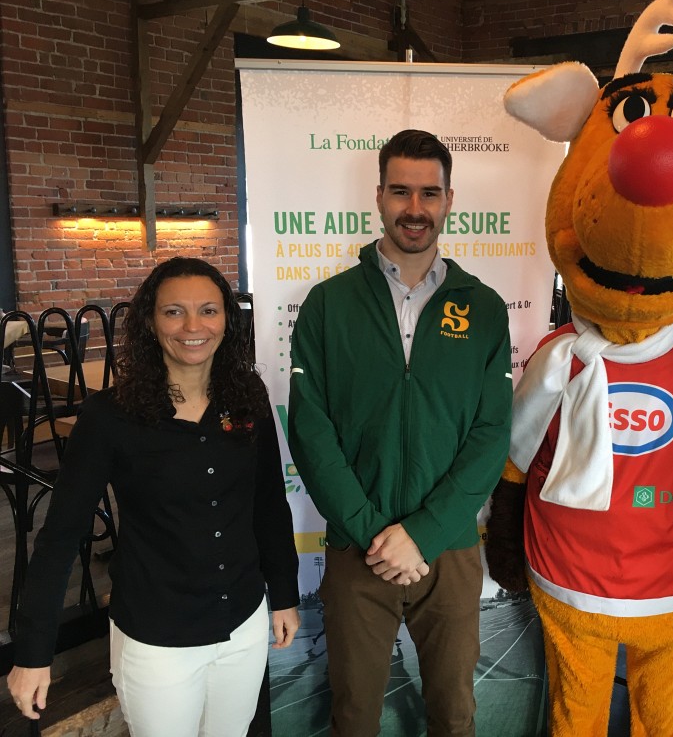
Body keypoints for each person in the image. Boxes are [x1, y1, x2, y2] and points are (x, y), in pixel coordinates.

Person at [6, 257, 300, 736]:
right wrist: (33, 654)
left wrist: (284, 594)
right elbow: (61, 537)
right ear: (149, 320)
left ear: (227, 318)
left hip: (243, 625)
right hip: (157, 639)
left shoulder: (248, 395)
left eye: (208, 310)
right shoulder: (110, 416)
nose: (192, 327)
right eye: (173, 312)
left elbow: (268, 502)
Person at [287, 129, 513, 736]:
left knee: (454, 714)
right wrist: (374, 535)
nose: (415, 208)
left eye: (430, 194)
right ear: (379, 196)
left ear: (449, 200)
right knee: (354, 715)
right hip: (358, 549)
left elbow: (490, 436)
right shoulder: (328, 304)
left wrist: (425, 533)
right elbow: (310, 432)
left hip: (450, 548)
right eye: (401, 192)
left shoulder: (484, 308)